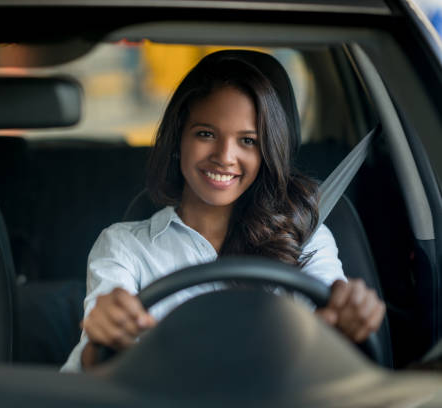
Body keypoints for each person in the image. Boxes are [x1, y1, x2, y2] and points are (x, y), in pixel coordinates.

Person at [61, 50, 385, 372]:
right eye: (206, 134)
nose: (224, 156)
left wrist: (346, 318)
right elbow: (92, 363)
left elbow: (328, 324)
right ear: (178, 140)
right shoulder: (124, 246)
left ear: (266, 152)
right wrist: (102, 338)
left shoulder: (306, 236)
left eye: (247, 141)